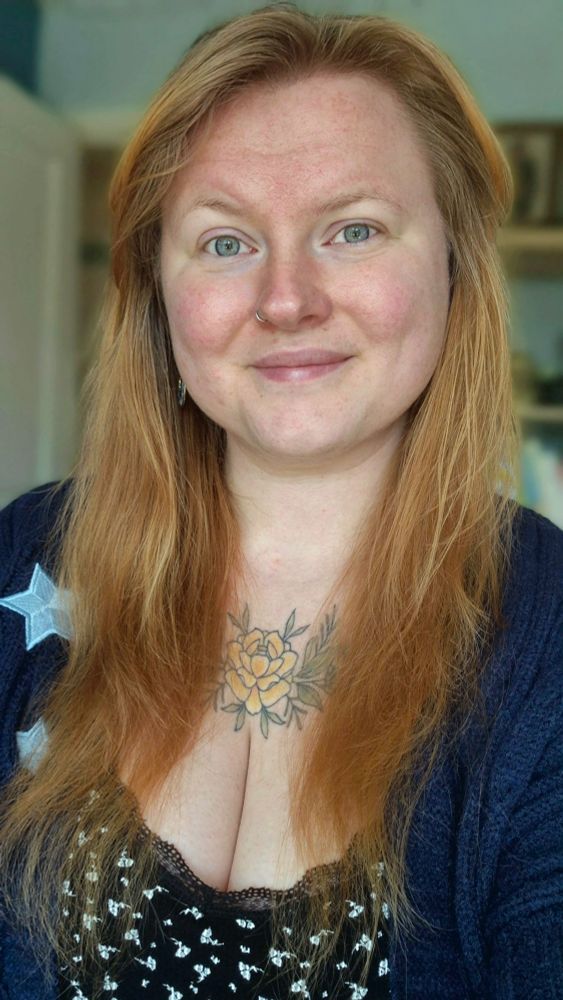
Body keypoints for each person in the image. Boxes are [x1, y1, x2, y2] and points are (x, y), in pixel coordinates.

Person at [0, 4, 561, 998]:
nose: (287, 298)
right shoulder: (23, 552)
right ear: (158, 292)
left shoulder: (546, 628)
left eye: (352, 229)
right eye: (225, 242)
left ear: (453, 264)